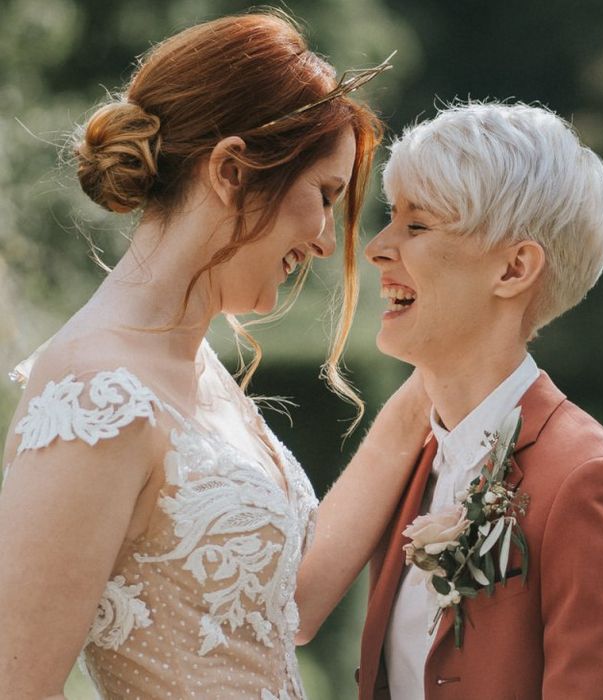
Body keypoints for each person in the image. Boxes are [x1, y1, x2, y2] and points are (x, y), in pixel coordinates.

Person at [0, 12, 431, 700]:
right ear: (232, 170)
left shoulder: (197, 367)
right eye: (322, 196)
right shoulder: (94, 392)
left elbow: (288, 610)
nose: (326, 240)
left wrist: (428, 397)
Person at [358, 102, 603, 699]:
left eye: (417, 225)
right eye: (390, 217)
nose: (377, 247)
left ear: (513, 268)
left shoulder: (592, 484)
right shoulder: (420, 458)